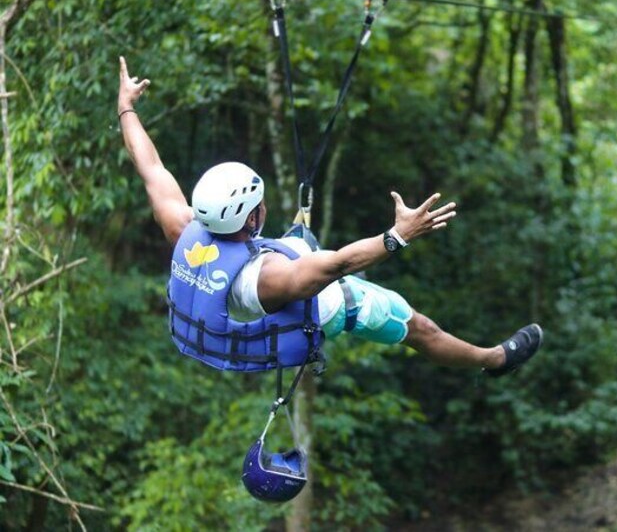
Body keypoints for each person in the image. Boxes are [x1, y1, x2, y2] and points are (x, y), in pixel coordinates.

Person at [116, 56, 542, 377]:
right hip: (325, 307)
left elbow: (151, 168)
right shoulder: (275, 277)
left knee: (300, 248)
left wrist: (127, 108)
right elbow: (338, 264)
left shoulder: (184, 228)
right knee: (418, 327)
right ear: (250, 220)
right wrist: (400, 234)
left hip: (253, 283)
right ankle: (493, 359)